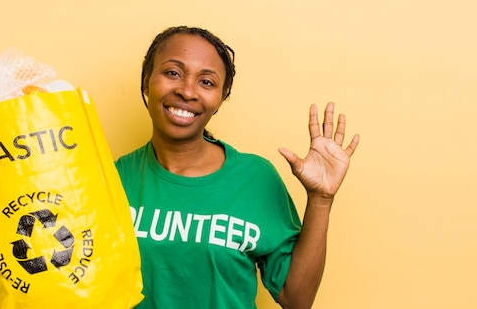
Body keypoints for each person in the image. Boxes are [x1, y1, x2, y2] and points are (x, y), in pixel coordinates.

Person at [114, 26, 360, 309]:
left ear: (221, 96)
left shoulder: (255, 178)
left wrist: (321, 199)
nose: (187, 91)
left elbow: (297, 299)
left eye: (207, 82)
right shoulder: (113, 178)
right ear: (146, 81)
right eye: (173, 73)